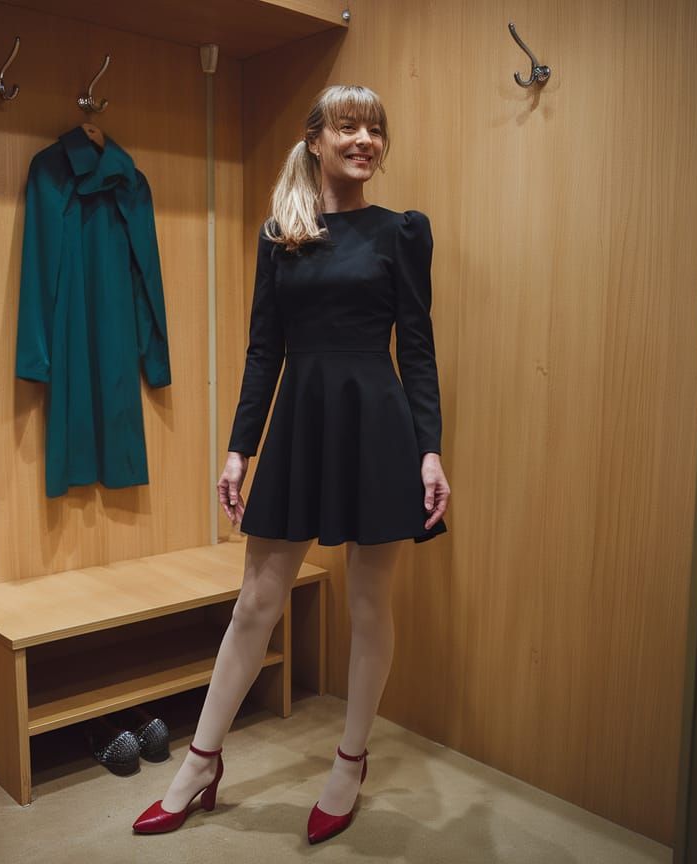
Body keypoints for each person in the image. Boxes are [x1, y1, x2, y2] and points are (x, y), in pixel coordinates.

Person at [132, 84, 451, 844]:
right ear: (316, 139)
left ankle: (349, 761)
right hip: (299, 428)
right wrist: (240, 447)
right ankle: (201, 762)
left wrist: (431, 447)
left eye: (376, 129)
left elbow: (418, 348)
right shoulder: (283, 234)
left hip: (378, 425)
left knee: (370, 605)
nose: (364, 140)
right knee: (254, 603)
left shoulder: (402, 232)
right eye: (349, 126)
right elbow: (263, 350)